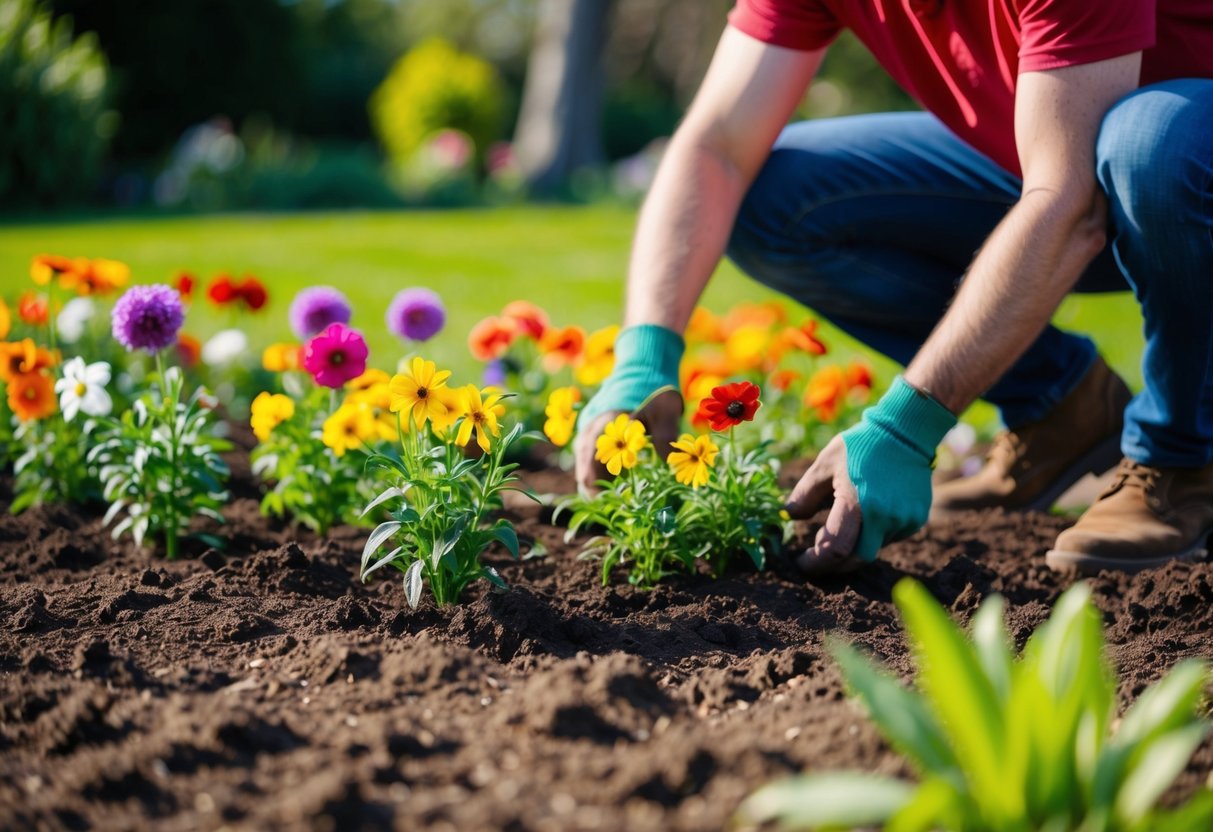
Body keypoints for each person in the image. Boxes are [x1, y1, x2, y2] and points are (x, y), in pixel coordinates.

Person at [573, 0, 1213, 575]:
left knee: (1150, 144)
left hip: (1171, 165)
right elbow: (716, 147)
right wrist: (644, 358)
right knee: (777, 200)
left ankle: (1183, 454)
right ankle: (1062, 406)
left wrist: (908, 425)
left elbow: (1067, 205)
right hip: (1066, 155)